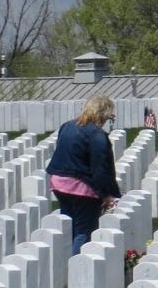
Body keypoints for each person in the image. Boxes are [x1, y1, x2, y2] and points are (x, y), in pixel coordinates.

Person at [46, 94, 121, 255]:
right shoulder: (97, 135)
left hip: (59, 183)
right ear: (104, 113)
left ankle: (65, 266)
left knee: (70, 228)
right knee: (83, 232)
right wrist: (107, 194)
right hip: (80, 187)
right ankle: (76, 267)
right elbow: (101, 168)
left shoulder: (67, 126)